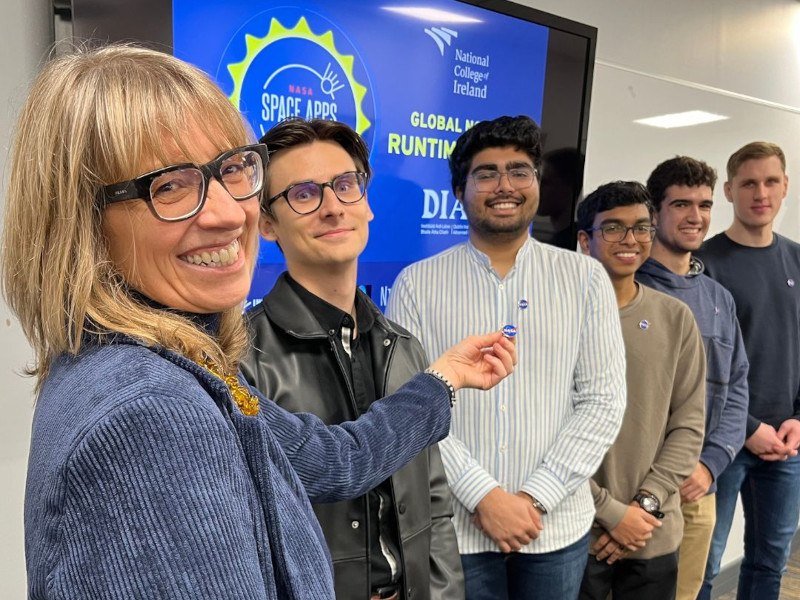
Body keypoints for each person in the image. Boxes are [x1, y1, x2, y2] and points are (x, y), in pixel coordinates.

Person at [2, 45, 517, 600]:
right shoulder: (152, 410)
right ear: (81, 221)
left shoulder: (188, 367)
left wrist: (443, 380)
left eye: (231, 170)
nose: (226, 212)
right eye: (170, 185)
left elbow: (332, 459)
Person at [386, 115, 627, 600]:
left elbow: (603, 400)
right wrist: (484, 496)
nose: (505, 186)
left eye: (519, 171)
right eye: (486, 173)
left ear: (537, 183)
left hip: (554, 528)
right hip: (457, 528)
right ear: (459, 189)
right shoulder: (417, 283)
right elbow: (408, 405)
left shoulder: (585, 279)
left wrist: (535, 497)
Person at [240, 118, 463, 600]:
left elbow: (435, 500)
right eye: (303, 193)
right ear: (268, 224)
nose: (332, 208)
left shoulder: (403, 345)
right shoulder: (241, 357)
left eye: (345, 186)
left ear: (366, 202)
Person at [575, 181, 706, 600]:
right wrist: (609, 513)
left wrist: (643, 507)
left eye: (641, 228)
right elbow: (538, 432)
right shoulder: (557, 318)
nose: (629, 240)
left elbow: (688, 424)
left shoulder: (675, 318)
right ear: (584, 240)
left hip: (652, 533)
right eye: (612, 228)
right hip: (575, 532)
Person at [636, 156, 749, 600]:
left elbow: (737, 387)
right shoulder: (628, 288)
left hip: (698, 491)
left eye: (704, 205)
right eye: (682, 204)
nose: (696, 217)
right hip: (636, 493)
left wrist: (710, 463)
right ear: (654, 212)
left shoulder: (719, 298)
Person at [695, 142, 800, 600]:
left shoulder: (798, 259)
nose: (761, 192)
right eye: (749, 183)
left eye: (771, 181)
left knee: (769, 561)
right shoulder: (706, 264)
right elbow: (698, 366)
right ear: (729, 191)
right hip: (721, 442)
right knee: (704, 563)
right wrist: (748, 426)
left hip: (788, 442)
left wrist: (798, 419)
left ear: (785, 188)